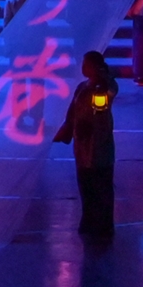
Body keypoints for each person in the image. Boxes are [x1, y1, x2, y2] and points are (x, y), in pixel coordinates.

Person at [58, 50, 119, 235]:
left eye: (86, 64)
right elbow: (72, 111)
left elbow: (112, 91)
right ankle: (88, 218)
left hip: (100, 144)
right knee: (85, 184)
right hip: (83, 145)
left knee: (102, 184)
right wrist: (67, 129)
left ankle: (104, 223)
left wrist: (104, 79)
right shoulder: (82, 87)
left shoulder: (106, 87)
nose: (83, 67)